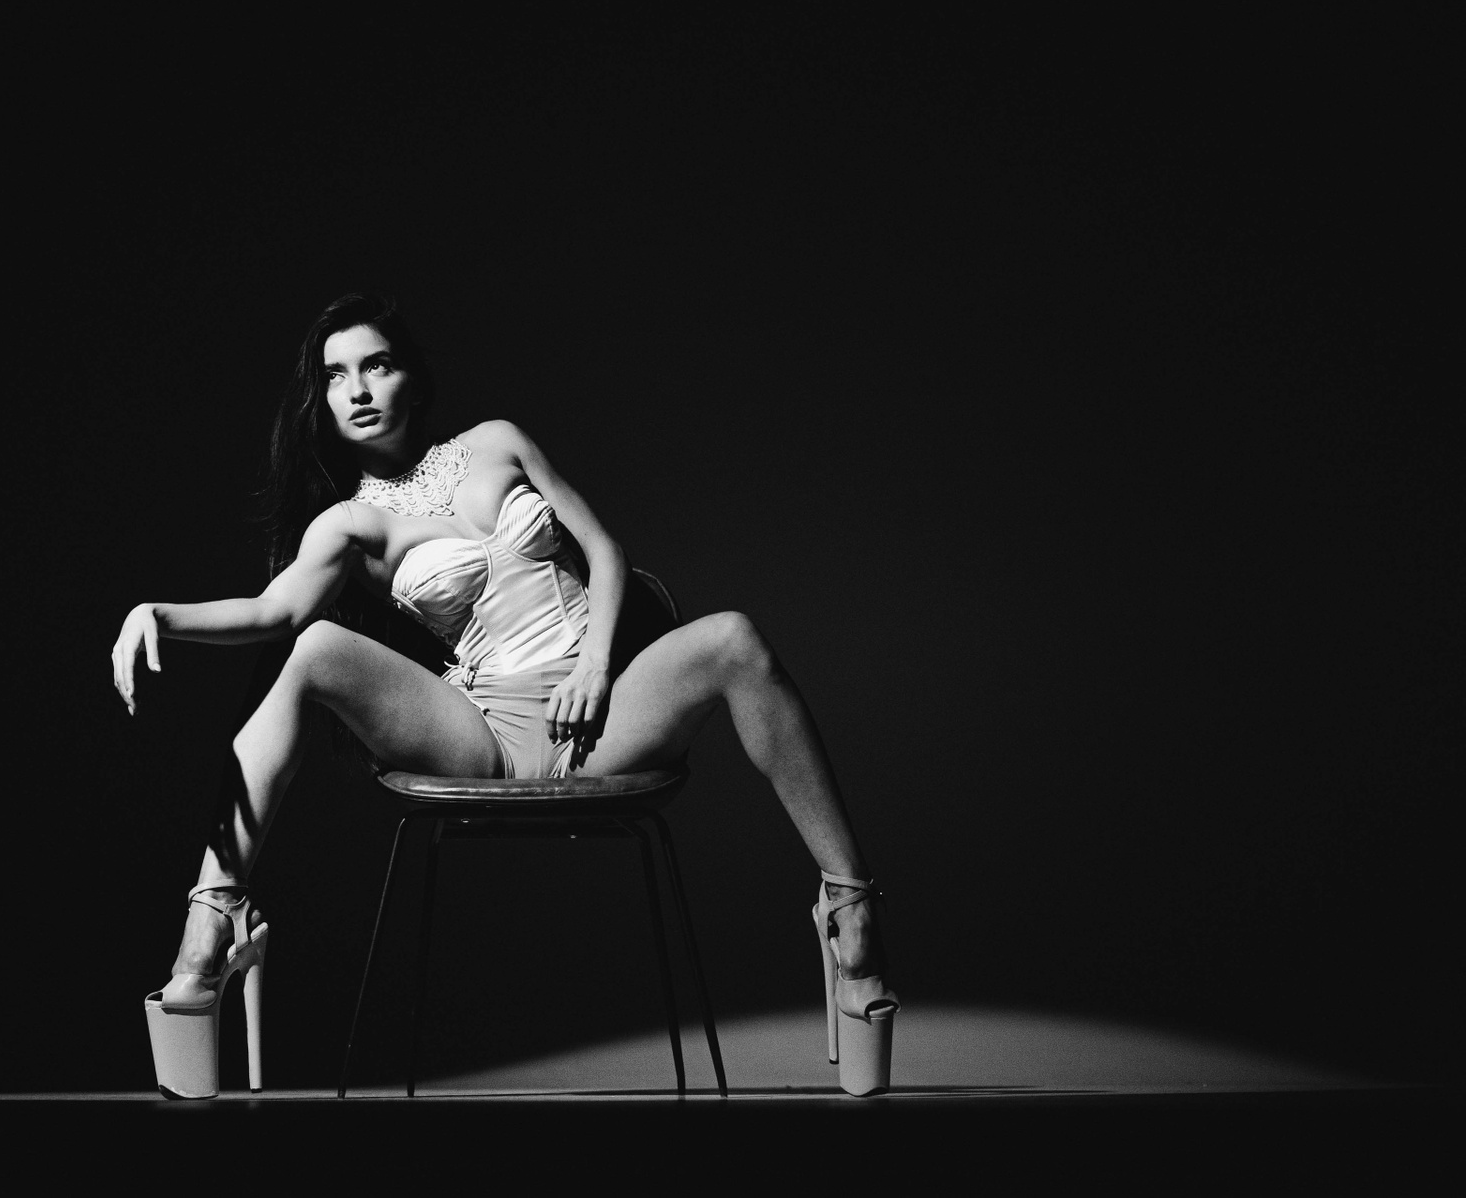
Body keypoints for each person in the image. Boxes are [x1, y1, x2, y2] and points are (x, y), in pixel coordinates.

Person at [111, 293, 898, 1093]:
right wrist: (158, 614)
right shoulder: (351, 525)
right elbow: (272, 613)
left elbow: (603, 550)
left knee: (735, 638)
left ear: (412, 378)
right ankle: (212, 922)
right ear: (323, 400)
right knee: (311, 648)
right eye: (336, 376)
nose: (358, 389)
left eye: (376, 365)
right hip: (484, 736)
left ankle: (852, 913)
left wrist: (596, 665)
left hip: (599, 717)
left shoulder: (498, 443)